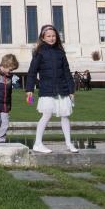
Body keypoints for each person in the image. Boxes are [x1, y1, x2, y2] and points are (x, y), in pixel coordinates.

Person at [25, 24, 78, 153]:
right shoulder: (39, 52)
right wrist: (29, 89)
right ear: (43, 38)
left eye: (53, 36)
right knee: (46, 115)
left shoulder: (60, 52)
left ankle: (69, 143)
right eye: (48, 36)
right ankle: (37, 143)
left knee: (65, 115)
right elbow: (32, 72)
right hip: (47, 89)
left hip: (62, 88)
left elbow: (67, 72)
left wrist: (71, 90)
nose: (51, 38)